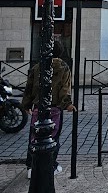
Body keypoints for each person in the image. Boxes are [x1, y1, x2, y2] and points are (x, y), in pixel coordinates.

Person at [22, 41, 74, 179]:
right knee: (53, 137)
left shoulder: (37, 67)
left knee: (34, 137)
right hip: (55, 107)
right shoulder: (63, 67)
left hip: (38, 108)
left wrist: (26, 104)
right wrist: (67, 104)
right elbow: (65, 88)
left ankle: (31, 167)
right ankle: (51, 165)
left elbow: (29, 87)